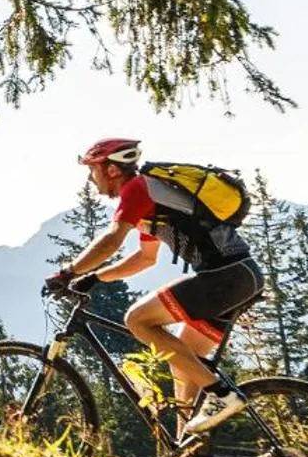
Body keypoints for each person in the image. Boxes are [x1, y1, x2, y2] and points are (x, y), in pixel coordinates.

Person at [46, 138, 265, 440]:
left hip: (225, 276)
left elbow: (111, 241)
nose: (90, 179)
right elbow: (145, 259)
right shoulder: (150, 197)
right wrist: (94, 277)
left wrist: (68, 272)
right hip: (240, 277)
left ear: (111, 170)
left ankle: (221, 394)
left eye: (92, 170)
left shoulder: (137, 189)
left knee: (137, 320)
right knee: (185, 368)